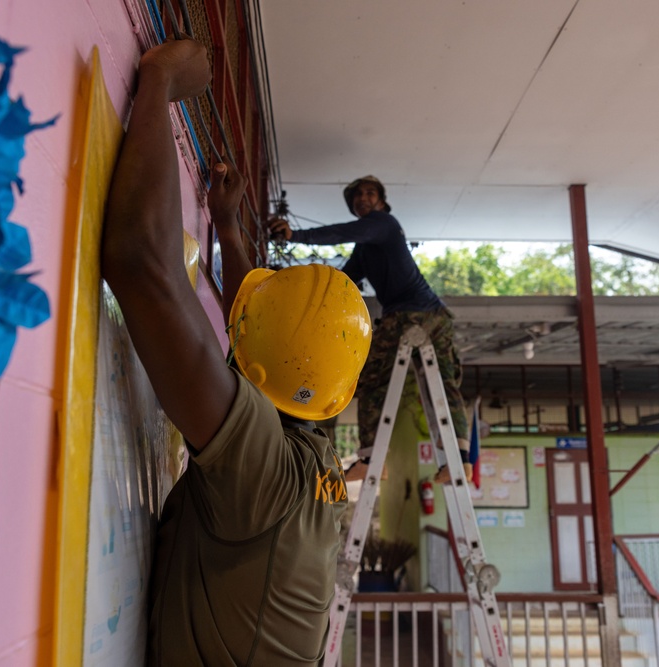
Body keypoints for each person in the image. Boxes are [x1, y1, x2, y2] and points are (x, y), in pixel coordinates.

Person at [101, 36, 372, 666]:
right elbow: (265, 346)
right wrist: (224, 228)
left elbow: (140, 264)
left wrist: (161, 81)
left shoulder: (265, 470)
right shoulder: (310, 437)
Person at [268, 176, 471, 485]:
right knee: (440, 385)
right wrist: (295, 286)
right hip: (431, 315)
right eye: (358, 195)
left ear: (381, 201)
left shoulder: (384, 224)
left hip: (412, 314)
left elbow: (341, 232)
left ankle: (370, 459)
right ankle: (461, 463)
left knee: (375, 381)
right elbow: (343, 281)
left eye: (369, 193)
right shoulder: (366, 248)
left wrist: (296, 234)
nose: (362, 198)